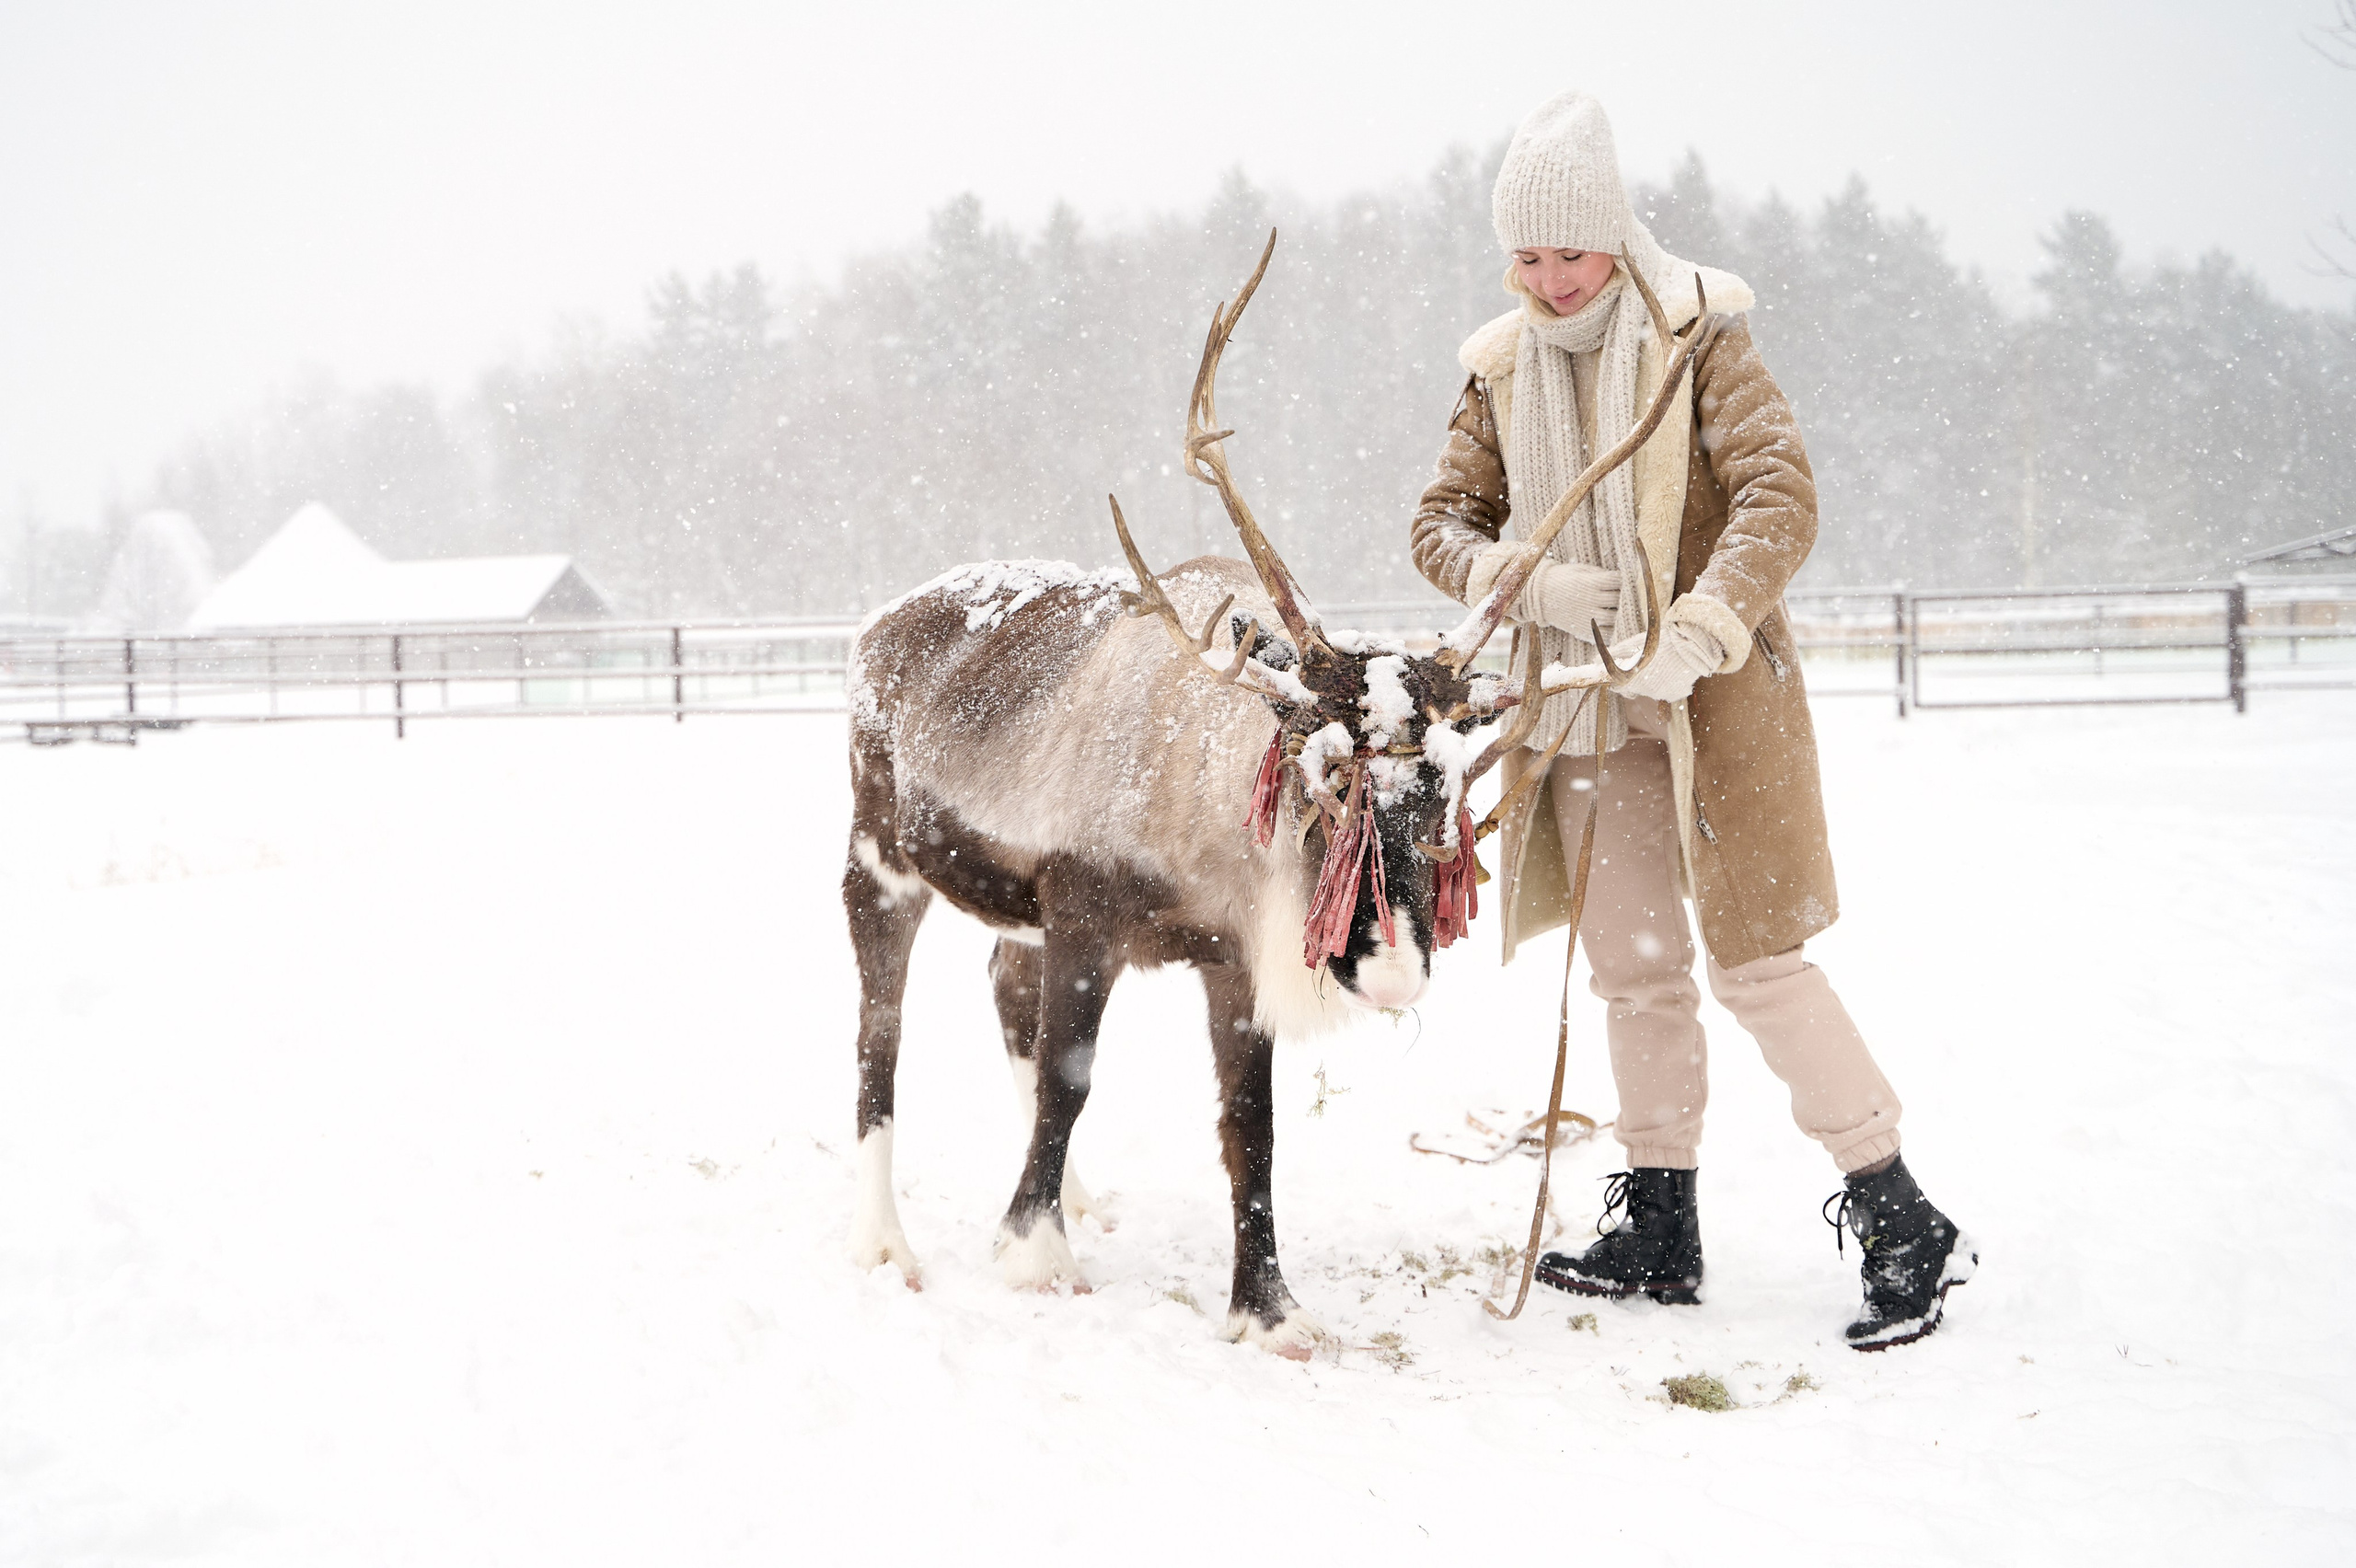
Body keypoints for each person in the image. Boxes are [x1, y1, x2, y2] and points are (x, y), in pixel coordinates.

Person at [1409, 90, 1974, 1350]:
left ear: (1615, 233)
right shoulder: (1496, 368)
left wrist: (1704, 629)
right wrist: (1530, 580)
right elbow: (1438, 525)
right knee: (1636, 974)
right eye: (1529, 255)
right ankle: (1660, 1224)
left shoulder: (1701, 335)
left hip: (1714, 706)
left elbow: (1781, 494)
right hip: (1588, 718)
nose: (1550, 279)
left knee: (1759, 963)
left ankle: (1899, 1214)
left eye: (1571, 250)